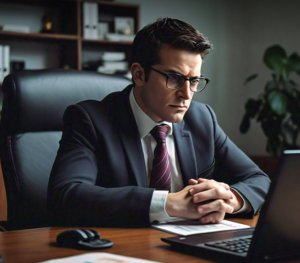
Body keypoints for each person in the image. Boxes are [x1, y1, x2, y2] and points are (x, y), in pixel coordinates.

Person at [47, 18, 271, 227]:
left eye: (194, 81)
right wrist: (169, 203)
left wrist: (229, 200)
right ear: (139, 74)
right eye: (174, 78)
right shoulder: (90, 120)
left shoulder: (202, 119)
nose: (186, 94)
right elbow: (67, 195)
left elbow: (259, 179)